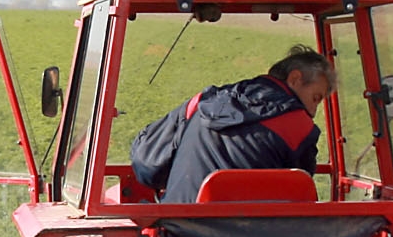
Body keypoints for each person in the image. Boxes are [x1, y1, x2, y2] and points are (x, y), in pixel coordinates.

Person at [130, 49, 334, 205]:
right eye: (315, 98)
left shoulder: (202, 103)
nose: (313, 111)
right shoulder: (299, 127)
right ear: (295, 79)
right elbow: (301, 197)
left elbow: (148, 166)